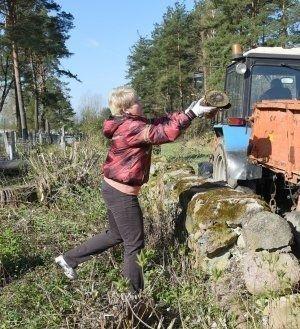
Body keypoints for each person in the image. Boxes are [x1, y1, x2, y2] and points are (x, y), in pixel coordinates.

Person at [55, 86, 216, 293]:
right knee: (134, 244)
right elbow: (163, 133)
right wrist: (192, 115)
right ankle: (132, 296)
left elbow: (159, 123)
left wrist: (187, 111)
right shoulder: (130, 127)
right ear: (125, 110)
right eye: (136, 101)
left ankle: (68, 259)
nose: (141, 102)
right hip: (121, 194)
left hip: (113, 189)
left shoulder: (130, 123)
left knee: (116, 235)